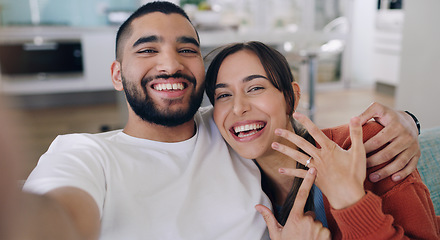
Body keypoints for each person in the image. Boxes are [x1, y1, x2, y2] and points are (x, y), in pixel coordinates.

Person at [12, 1, 420, 239]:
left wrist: (403, 122)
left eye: (186, 49)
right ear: (118, 74)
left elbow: (297, 130)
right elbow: (60, 214)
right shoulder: (82, 153)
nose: (170, 64)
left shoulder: (228, 129)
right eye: (147, 50)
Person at [204, 41, 440, 239]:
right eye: (223, 95)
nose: (238, 107)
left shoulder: (369, 146)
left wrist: (350, 201)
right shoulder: (233, 186)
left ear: (291, 98)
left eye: (255, 88)